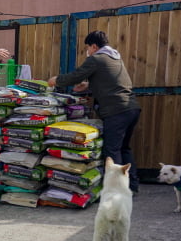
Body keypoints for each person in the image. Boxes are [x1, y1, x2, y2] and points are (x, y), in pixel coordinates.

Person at [48, 30, 141, 193]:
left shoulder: (96, 59)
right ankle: (132, 186)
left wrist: (56, 80)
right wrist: (88, 86)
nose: (87, 51)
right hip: (131, 108)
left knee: (112, 152)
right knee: (124, 148)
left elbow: (75, 76)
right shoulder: (115, 58)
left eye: (88, 48)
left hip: (116, 111)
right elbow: (111, 81)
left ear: (94, 46)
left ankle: (117, 191)